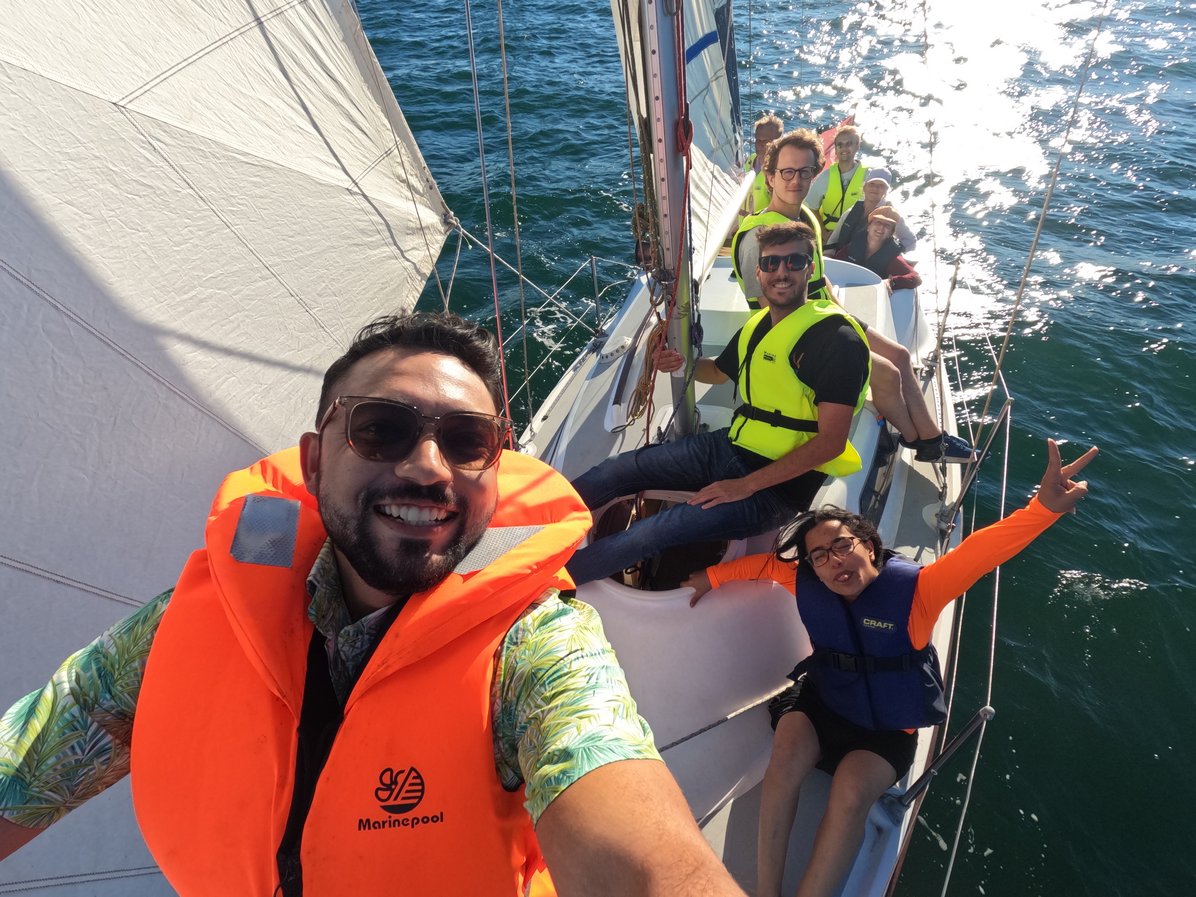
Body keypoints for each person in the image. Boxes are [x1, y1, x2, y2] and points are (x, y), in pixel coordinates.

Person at [0, 311, 750, 897]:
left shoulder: (538, 648)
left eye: (466, 441)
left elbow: (644, 853)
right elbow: (31, 760)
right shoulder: (193, 618)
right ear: (316, 455)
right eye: (381, 429)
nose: (427, 467)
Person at [683, 438, 1098, 897]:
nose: (832, 560)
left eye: (841, 545)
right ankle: (765, 890)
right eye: (819, 556)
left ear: (868, 545)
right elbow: (762, 566)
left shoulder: (920, 592)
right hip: (823, 704)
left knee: (850, 794)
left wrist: (1043, 509)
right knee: (783, 763)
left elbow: (983, 551)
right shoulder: (804, 580)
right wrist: (712, 576)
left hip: (883, 734)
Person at [565, 221, 870, 586]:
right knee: (616, 470)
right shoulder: (758, 325)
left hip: (775, 492)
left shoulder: (838, 340)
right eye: (771, 264)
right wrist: (683, 364)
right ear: (758, 272)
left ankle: (538, 583)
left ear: (812, 266)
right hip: (728, 447)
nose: (782, 272)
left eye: (794, 261)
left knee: (654, 532)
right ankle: (533, 522)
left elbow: (830, 443)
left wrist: (746, 485)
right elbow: (718, 372)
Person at [732, 133, 972, 464]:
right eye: (787, 172)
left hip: (820, 316)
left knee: (901, 355)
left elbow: (820, 279)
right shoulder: (757, 238)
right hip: (785, 336)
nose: (796, 180)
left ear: (814, 174)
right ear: (770, 176)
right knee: (887, 373)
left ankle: (931, 438)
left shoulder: (806, 219)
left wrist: (847, 321)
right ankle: (923, 442)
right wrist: (840, 343)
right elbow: (769, 308)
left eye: (805, 172)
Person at [824, 167, 917, 252]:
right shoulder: (850, 212)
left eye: (881, 186)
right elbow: (833, 240)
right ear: (864, 187)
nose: (875, 188)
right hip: (843, 261)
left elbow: (910, 242)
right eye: (872, 184)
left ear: (886, 190)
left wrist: (891, 256)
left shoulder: (891, 215)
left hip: (870, 268)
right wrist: (828, 256)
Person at [833, 207, 922, 293]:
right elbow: (833, 265)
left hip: (871, 301)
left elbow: (916, 278)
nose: (881, 228)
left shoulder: (892, 257)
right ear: (868, 227)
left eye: (887, 225)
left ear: (891, 233)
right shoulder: (851, 247)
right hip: (843, 293)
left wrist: (891, 282)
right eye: (878, 222)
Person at [806, 124, 866, 240]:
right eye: (840, 145)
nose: (844, 149)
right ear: (835, 148)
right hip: (828, 235)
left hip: (855, 237)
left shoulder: (868, 176)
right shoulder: (825, 177)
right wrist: (823, 234)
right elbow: (811, 207)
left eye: (849, 144)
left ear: (858, 145)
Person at [740, 113, 784, 221]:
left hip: (759, 230)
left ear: (777, 142)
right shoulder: (750, 160)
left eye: (765, 141)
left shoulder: (778, 172)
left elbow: (779, 211)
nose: (759, 144)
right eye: (757, 140)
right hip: (741, 227)